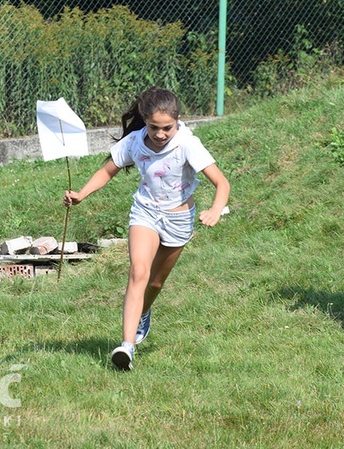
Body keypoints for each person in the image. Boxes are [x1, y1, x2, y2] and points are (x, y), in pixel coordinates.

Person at [63, 87, 230, 369]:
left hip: (178, 219)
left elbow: (222, 182)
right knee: (138, 273)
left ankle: (144, 312)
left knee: (155, 282)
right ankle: (126, 346)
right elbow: (107, 171)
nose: (161, 134)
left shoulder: (188, 143)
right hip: (145, 212)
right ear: (145, 120)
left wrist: (215, 209)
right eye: (154, 127)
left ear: (177, 122)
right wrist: (82, 194)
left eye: (168, 128)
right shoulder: (134, 142)